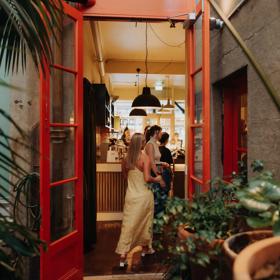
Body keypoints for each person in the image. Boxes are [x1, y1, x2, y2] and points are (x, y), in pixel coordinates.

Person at [115, 133, 165, 267]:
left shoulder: (126, 159)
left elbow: (125, 176)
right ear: (142, 143)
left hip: (131, 196)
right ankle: (145, 248)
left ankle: (123, 256)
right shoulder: (145, 158)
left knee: (128, 225)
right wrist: (158, 179)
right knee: (146, 223)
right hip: (144, 196)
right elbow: (147, 178)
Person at [145, 125, 170, 216]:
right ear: (156, 132)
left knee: (160, 198)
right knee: (157, 199)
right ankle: (156, 223)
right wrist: (158, 177)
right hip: (153, 173)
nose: (161, 134)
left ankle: (159, 221)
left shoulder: (155, 143)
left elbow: (156, 161)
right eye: (160, 132)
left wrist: (162, 163)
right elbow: (151, 163)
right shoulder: (150, 144)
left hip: (158, 171)